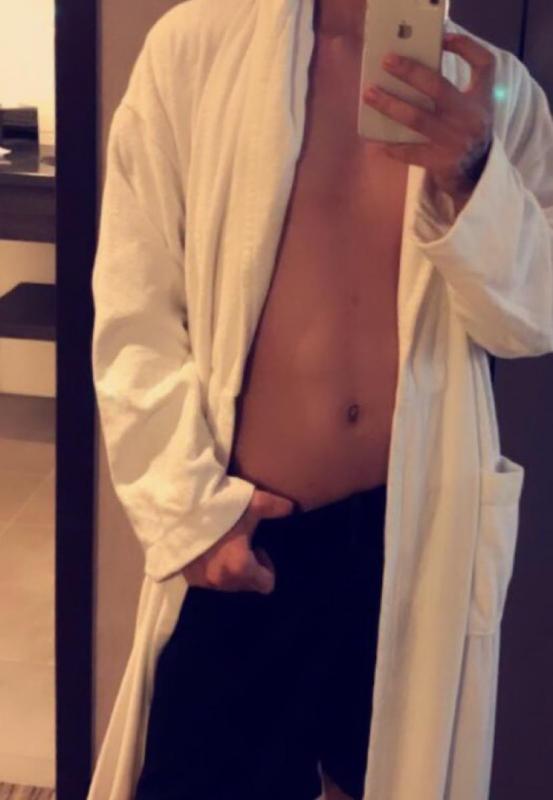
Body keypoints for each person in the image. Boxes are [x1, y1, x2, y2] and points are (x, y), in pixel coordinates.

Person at [88, 1, 553, 799]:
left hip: (409, 537)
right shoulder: (194, 49)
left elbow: (530, 320)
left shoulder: (492, 92)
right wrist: (188, 514)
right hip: (249, 533)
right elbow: (136, 309)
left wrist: (473, 171)